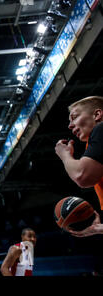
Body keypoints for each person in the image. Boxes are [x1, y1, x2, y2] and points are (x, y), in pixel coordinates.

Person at [55, 96, 103, 237]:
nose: (70, 125)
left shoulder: (100, 129)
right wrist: (97, 229)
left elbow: (82, 176)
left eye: (74, 117)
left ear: (97, 115)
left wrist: (64, 155)